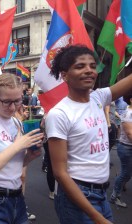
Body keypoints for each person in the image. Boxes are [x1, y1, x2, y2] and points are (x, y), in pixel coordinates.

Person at [46, 45, 132, 224]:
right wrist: (97, 218)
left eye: (92, 66)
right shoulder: (59, 114)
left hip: (101, 193)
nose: (89, 71)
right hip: (76, 196)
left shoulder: (98, 97)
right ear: (64, 75)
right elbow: (60, 173)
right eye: (80, 66)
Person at [0, 73, 43, 224]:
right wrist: (17, 145)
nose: (12, 107)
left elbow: (14, 165)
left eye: (17, 101)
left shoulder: (16, 123)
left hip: (17, 197)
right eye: (6, 102)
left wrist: (30, 156)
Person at [110, 94, 132, 208]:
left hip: (127, 147)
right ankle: (115, 196)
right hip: (126, 148)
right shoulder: (128, 115)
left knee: (126, 173)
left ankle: (120, 181)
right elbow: (130, 134)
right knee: (126, 174)